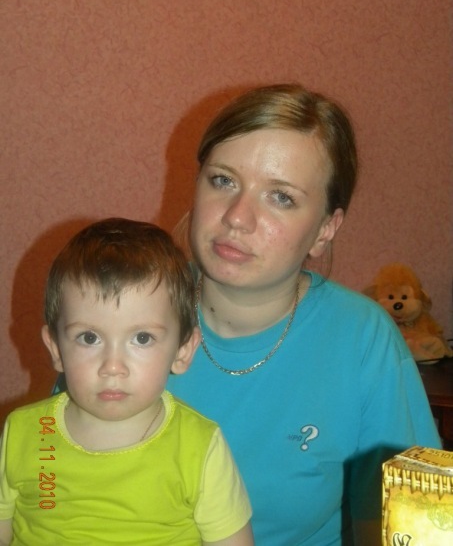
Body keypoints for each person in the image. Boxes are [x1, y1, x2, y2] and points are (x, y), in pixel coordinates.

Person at [163, 84, 442, 546]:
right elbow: (57, 487)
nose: (237, 217)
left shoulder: (363, 339)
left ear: (325, 229)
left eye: (281, 197)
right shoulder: (122, 309)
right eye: (223, 180)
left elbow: (422, 529)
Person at [0, 218, 253, 546]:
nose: (112, 367)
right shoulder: (22, 433)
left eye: (142, 338)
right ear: (56, 349)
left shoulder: (200, 448)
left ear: (183, 351)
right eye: (89, 338)